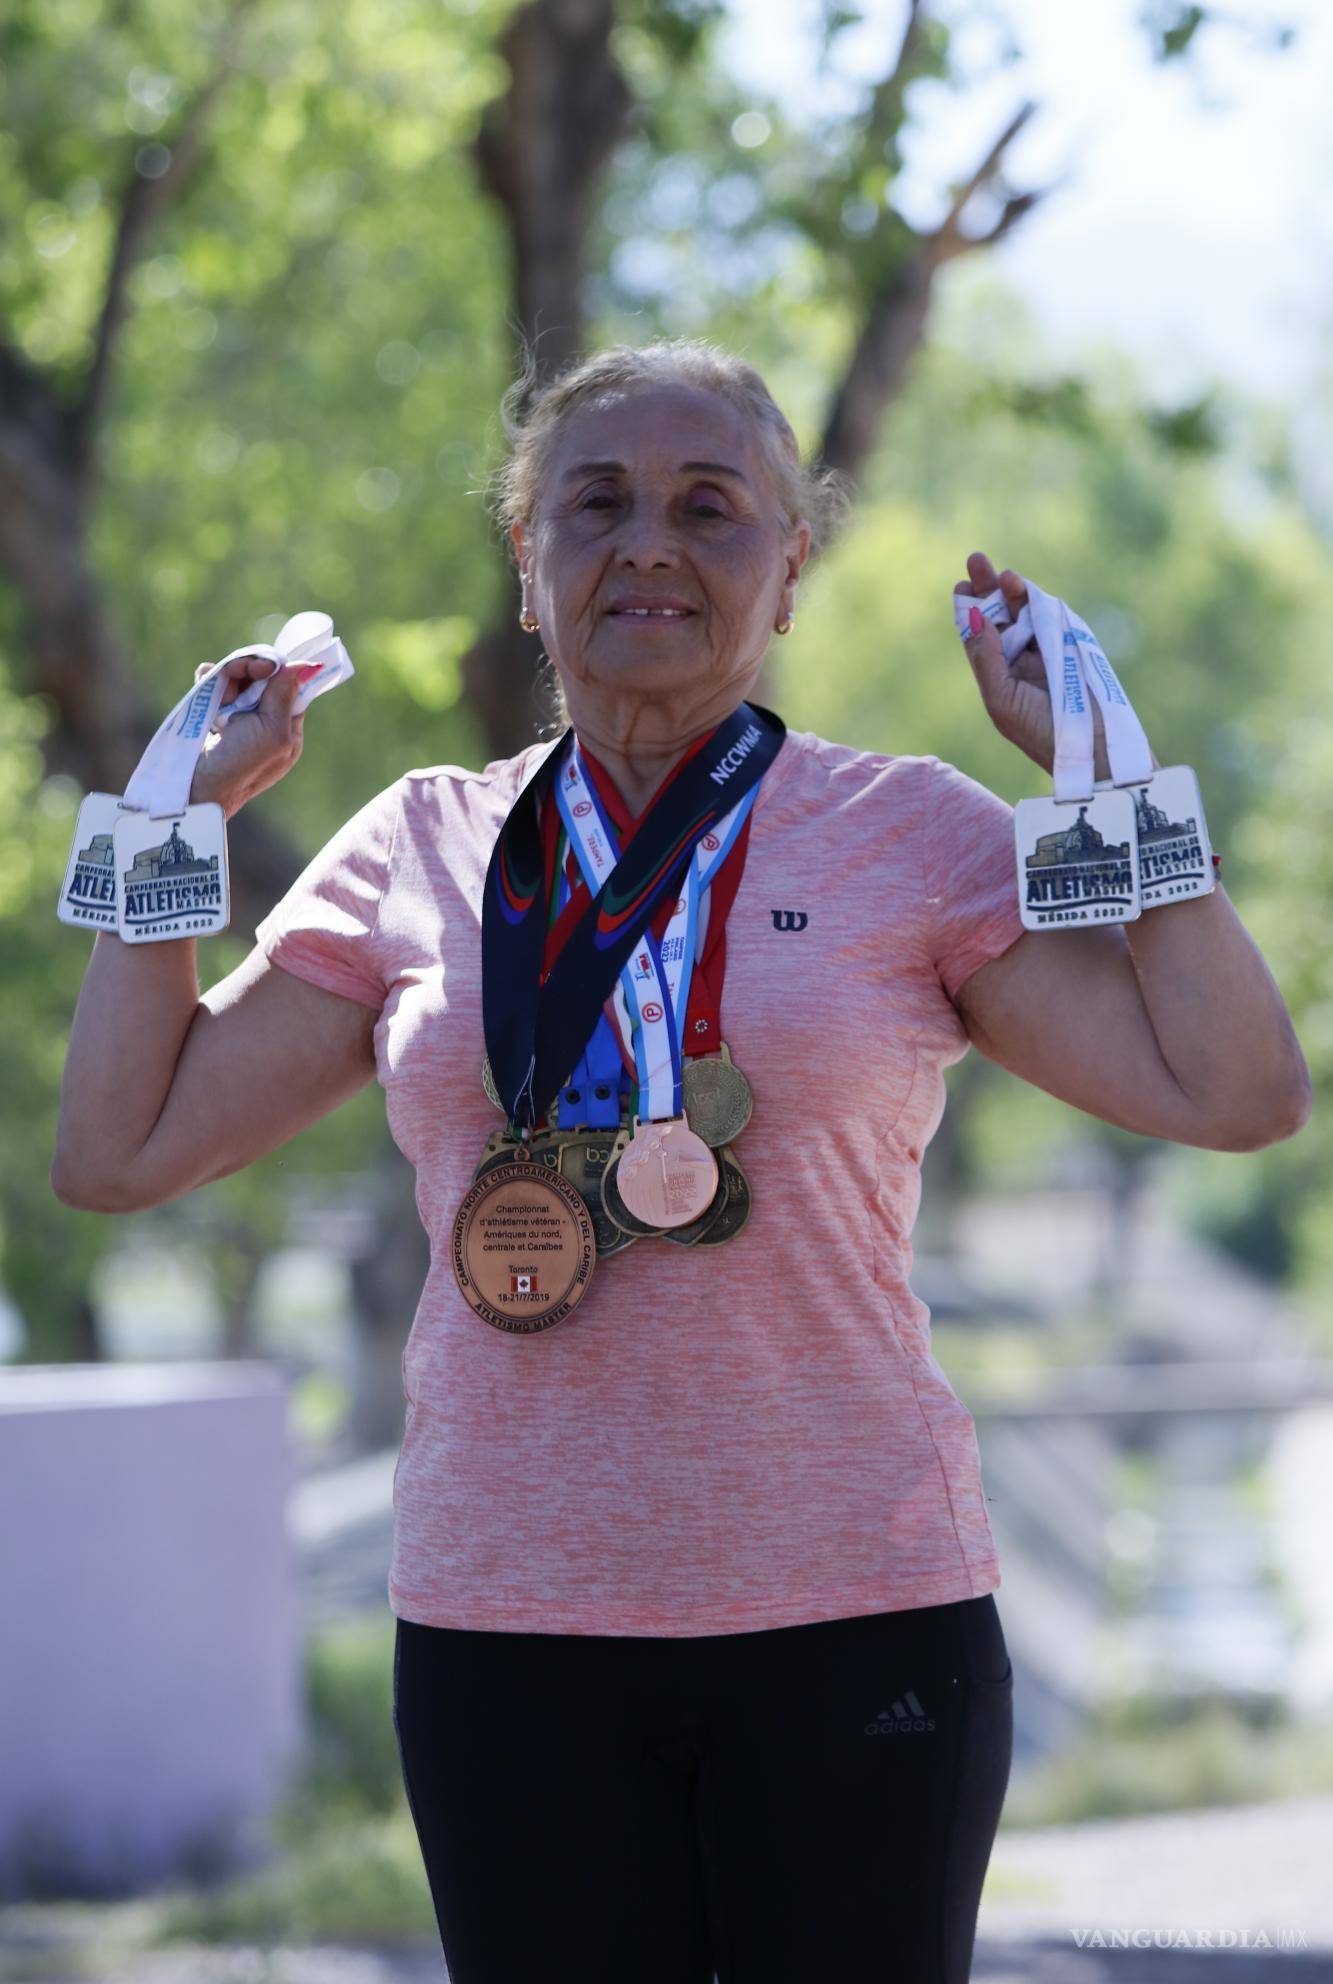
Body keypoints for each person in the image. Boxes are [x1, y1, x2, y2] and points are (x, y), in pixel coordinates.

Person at [51, 338, 1313, 1983]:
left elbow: (1233, 1092)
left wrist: (1107, 776)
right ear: (529, 570)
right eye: (597, 504)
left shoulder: (912, 834)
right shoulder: (418, 845)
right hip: (504, 1628)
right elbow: (117, 1147)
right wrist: (166, 832)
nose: (649, 541)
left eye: (710, 508)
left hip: (859, 1616)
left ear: (787, 575)